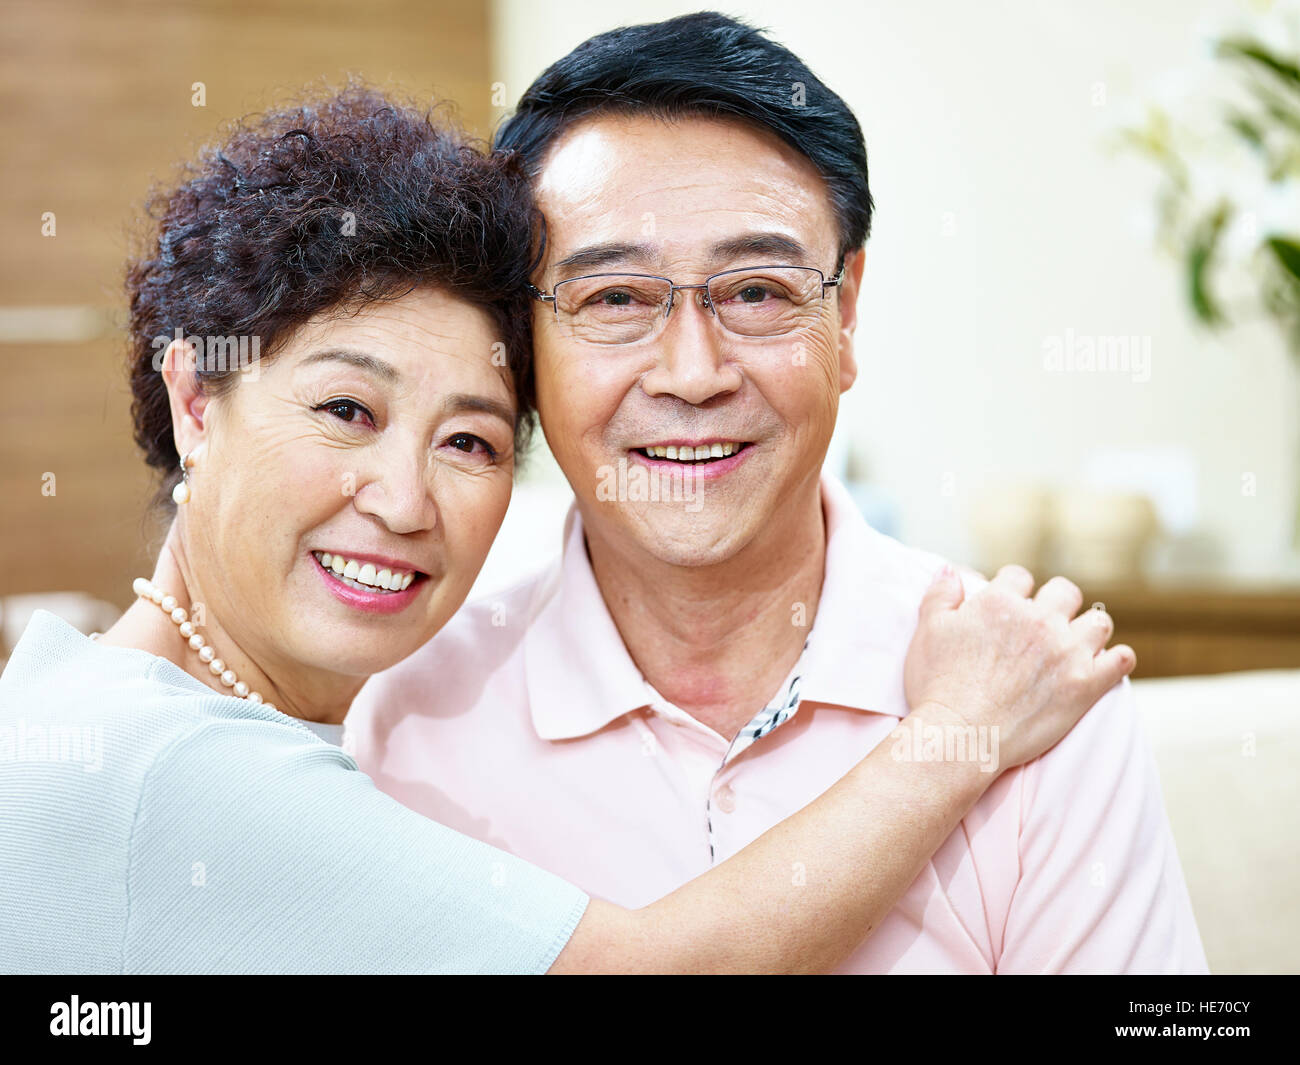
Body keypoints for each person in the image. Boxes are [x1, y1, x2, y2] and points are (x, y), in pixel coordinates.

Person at [0, 85, 1127, 976]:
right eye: (347, 411)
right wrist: (960, 733)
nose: (403, 502)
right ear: (199, 401)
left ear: (846, 313)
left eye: (471, 443)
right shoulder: (183, 763)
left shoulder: (134, 707)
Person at [347, 14, 1209, 974]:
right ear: (522, 345)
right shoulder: (408, 724)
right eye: (615, 299)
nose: (692, 372)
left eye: (757, 291)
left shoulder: (1038, 692)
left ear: (844, 313)